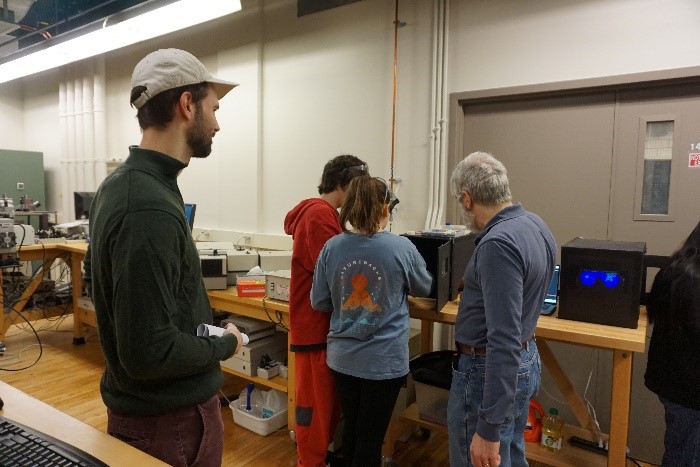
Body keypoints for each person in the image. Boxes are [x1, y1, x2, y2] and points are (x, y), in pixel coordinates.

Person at [83, 48, 244, 467]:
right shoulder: (147, 205)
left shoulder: (129, 185)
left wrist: (205, 330)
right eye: (214, 107)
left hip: (158, 420)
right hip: (170, 426)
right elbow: (147, 353)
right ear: (186, 105)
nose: (218, 123)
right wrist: (225, 345)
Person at [310, 175, 434, 467]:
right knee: (371, 436)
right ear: (385, 210)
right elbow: (424, 286)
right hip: (383, 361)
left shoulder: (331, 247)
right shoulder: (400, 247)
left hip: (342, 359)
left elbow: (319, 301)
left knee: (352, 427)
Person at [446, 151, 556, 467]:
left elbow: (503, 339)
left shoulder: (497, 243)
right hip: (524, 360)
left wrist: (487, 428)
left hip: (487, 373)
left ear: (467, 199)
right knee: (510, 454)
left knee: (483, 456)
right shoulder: (534, 224)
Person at [284, 155, 368, 467]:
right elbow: (337, 275)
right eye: (358, 190)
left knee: (328, 407)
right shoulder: (318, 216)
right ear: (343, 185)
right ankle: (310, 461)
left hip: (323, 330)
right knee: (314, 409)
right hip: (314, 329)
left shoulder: (325, 215)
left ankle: (317, 457)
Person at [644, 220, 700, 466]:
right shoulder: (694, 283)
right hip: (690, 395)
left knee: (679, 452)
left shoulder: (673, 269)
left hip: (672, 388)